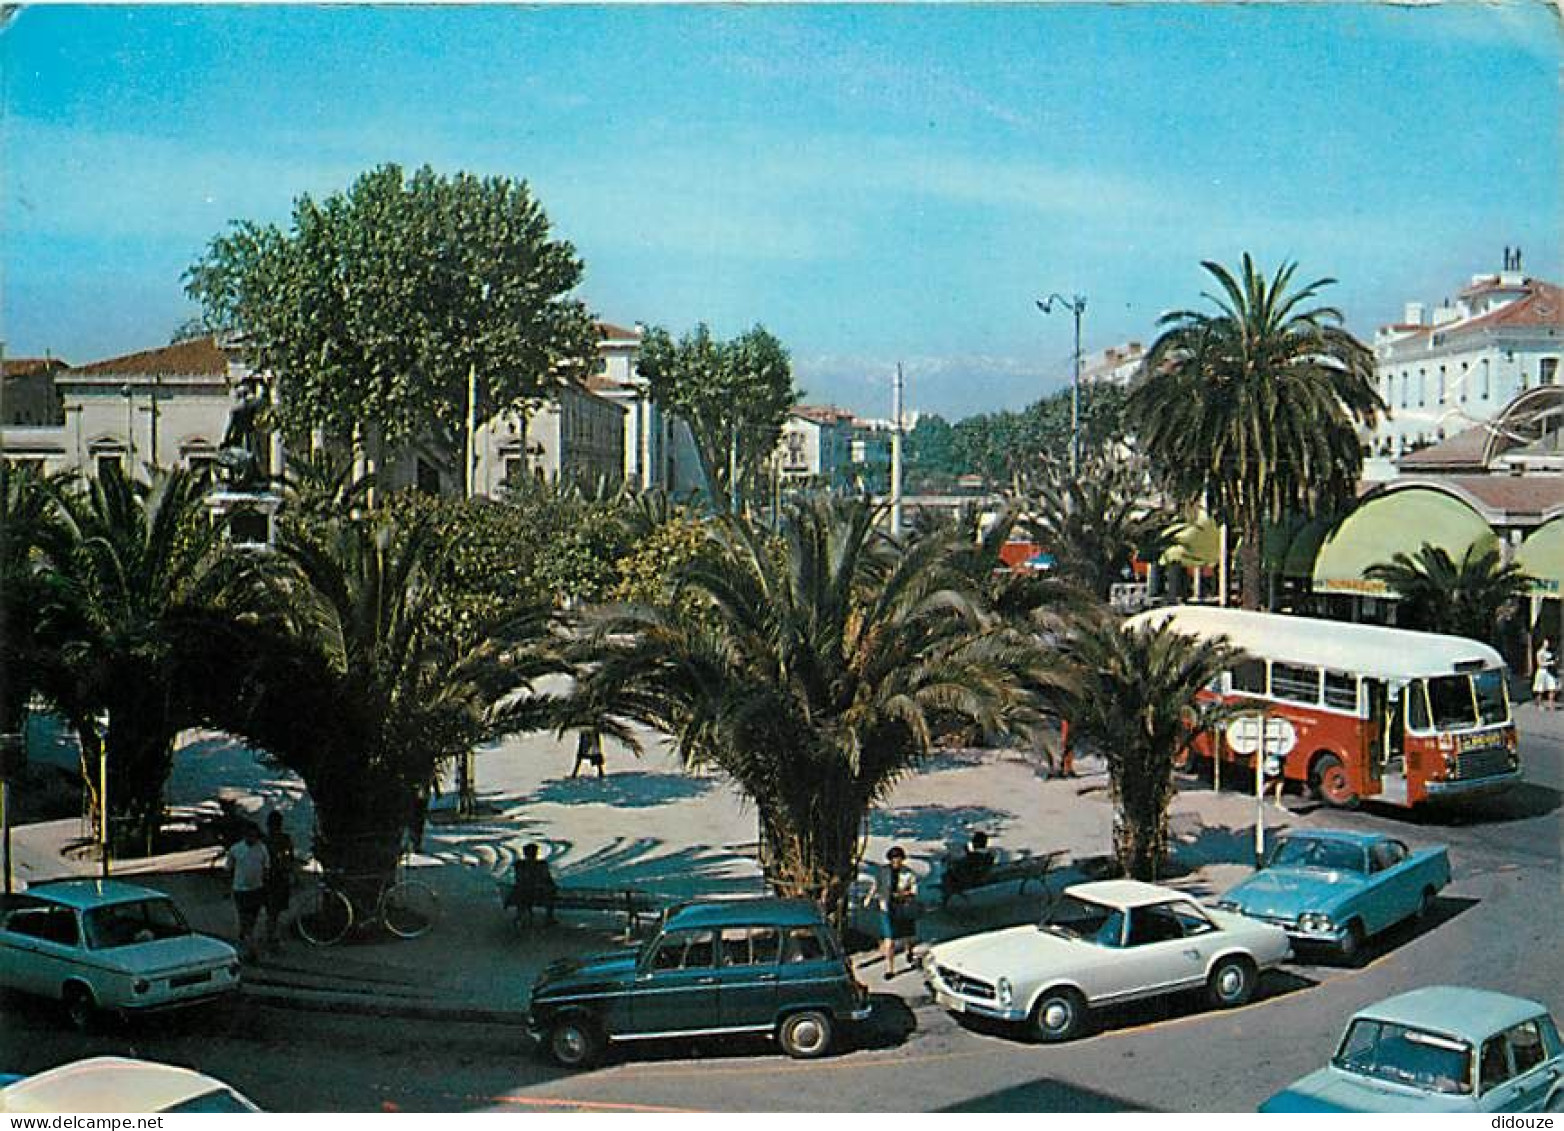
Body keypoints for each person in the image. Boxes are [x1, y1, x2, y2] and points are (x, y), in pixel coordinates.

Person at [865, 845, 919, 976]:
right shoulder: (883, 871)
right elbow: (876, 885)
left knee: (908, 936)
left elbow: (914, 891)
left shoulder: (909, 873)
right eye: (894, 859)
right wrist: (869, 898)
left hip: (903, 908)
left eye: (899, 859)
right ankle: (890, 969)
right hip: (887, 908)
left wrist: (904, 894)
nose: (896, 862)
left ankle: (909, 951)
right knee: (889, 940)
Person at [226, 822, 269, 961]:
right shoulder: (236, 849)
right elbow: (229, 869)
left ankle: (246, 940)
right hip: (240, 890)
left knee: (252, 919)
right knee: (246, 919)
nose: (252, 838)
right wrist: (229, 887)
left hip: (256, 889)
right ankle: (250, 948)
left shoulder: (262, 849)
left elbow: (266, 868)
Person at [260, 811, 296, 951]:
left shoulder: (264, 841)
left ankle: (271, 935)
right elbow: (289, 858)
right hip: (279, 879)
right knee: (274, 910)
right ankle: (272, 937)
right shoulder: (284, 839)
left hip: (270, 879)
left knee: (271, 910)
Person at [504, 843, 558, 926]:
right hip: (529, 891)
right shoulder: (523, 865)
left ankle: (546, 917)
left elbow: (547, 878)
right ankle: (547, 917)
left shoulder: (527, 864)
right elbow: (521, 879)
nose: (532, 854)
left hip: (533, 891)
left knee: (524, 893)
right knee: (524, 893)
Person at [1534, 639, 1558, 711]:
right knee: (1540, 690)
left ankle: (1551, 705)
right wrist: (1550, 663)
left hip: (1549, 672)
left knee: (1552, 688)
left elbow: (1554, 659)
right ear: (1543, 643)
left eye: (1548, 643)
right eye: (1546, 643)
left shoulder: (1549, 653)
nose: (1547, 644)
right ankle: (1539, 704)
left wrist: (1555, 661)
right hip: (1542, 672)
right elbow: (1540, 663)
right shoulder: (1539, 653)